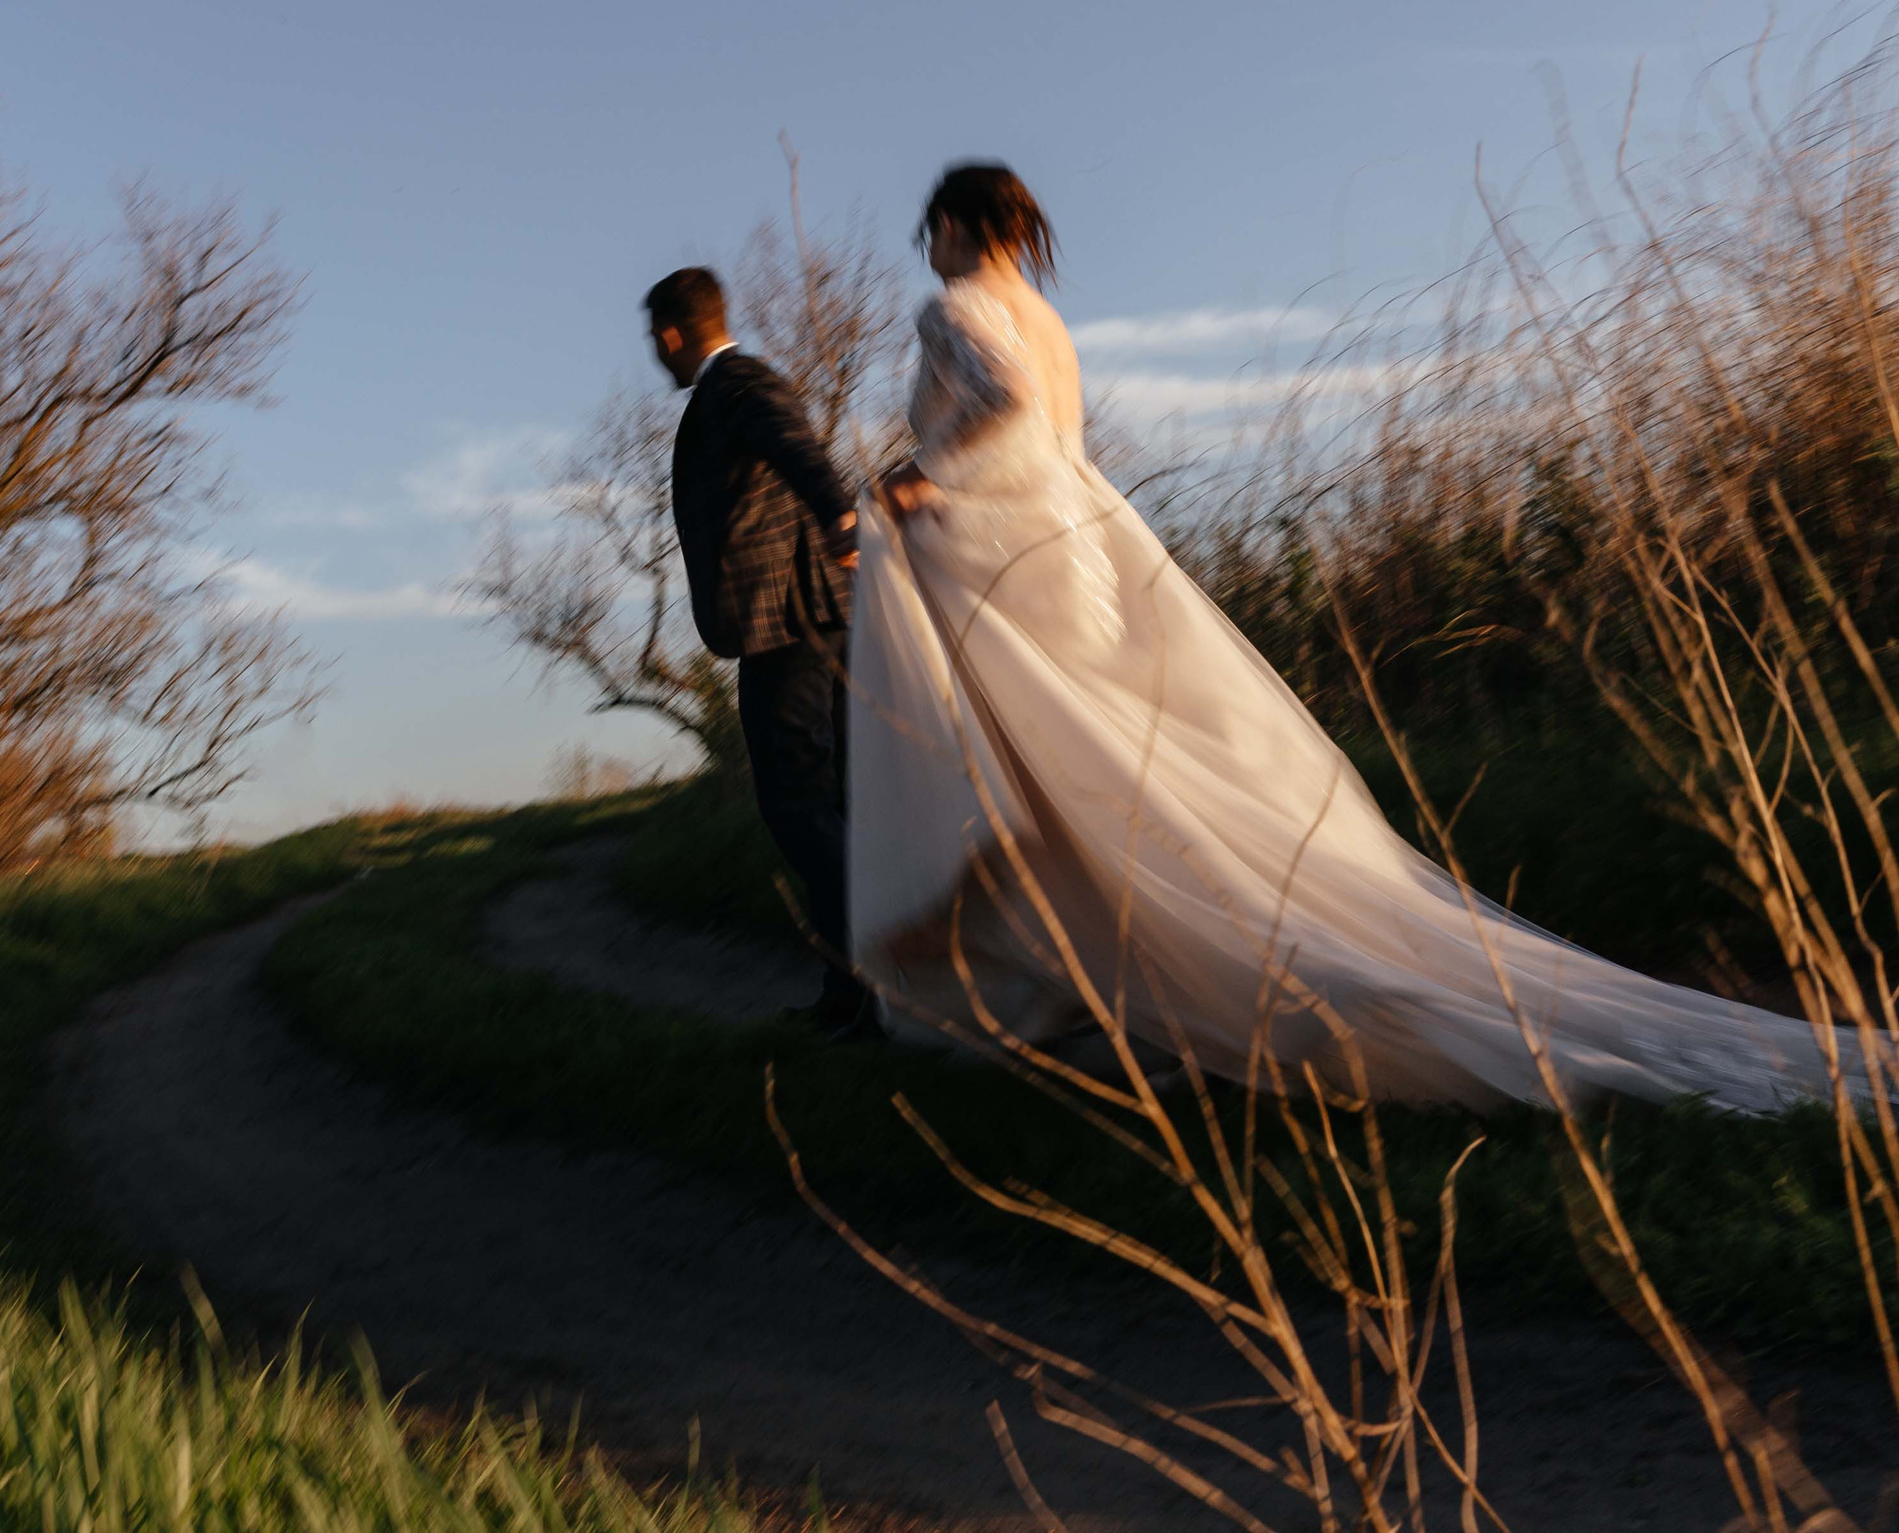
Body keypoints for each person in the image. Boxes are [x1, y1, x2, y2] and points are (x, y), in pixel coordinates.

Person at [847, 162, 1861, 1110]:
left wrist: (923, 475)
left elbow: (1002, 403)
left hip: (1000, 557)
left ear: (959, 222)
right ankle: (1123, 973)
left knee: (1028, 774)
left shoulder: (955, 307)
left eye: (928, 227)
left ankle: (1097, 984)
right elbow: (1048, 431)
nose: (923, 248)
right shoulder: (1045, 319)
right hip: (1077, 553)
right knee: (1092, 773)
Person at [647, 266, 877, 1037]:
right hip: (807, 619)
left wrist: (839, 514)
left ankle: (866, 980)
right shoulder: (730, 387)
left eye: (656, 340)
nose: (657, 354)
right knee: (831, 803)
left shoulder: (738, 381)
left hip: (788, 624)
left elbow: (791, 440)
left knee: (798, 803)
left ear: (672, 333)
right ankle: (858, 983)